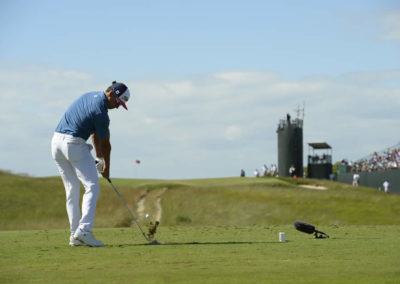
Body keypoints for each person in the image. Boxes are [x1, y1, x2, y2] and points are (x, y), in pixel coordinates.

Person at [51, 81, 131, 247]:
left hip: (56, 143)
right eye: (118, 102)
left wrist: (99, 157)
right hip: (73, 144)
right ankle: (85, 230)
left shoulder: (90, 96)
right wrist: (107, 168)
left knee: (72, 189)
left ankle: (75, 235)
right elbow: (106, 144)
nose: (117, 107)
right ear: (111, 94)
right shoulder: (101, 113)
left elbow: (94, 134)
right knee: (92, 186)